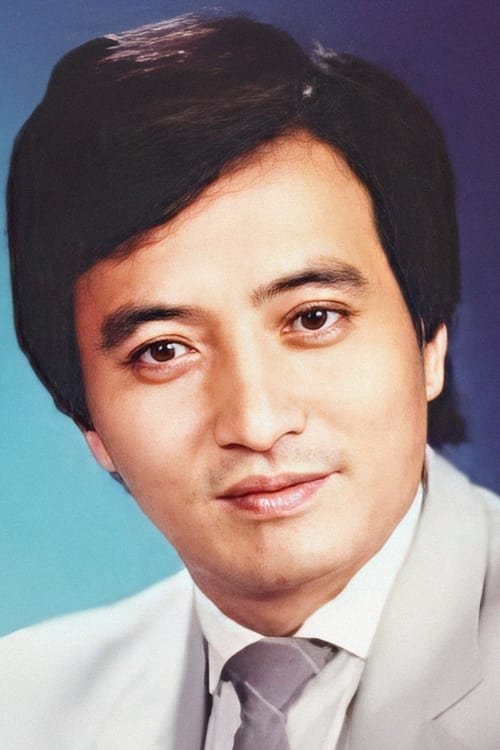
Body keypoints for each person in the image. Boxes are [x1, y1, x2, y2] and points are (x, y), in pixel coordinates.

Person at [2, 12, 499, 750]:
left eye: (314, 318)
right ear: (88, 422)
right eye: (163, 351)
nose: (257, 423)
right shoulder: (21, 706)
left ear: (429, 340)